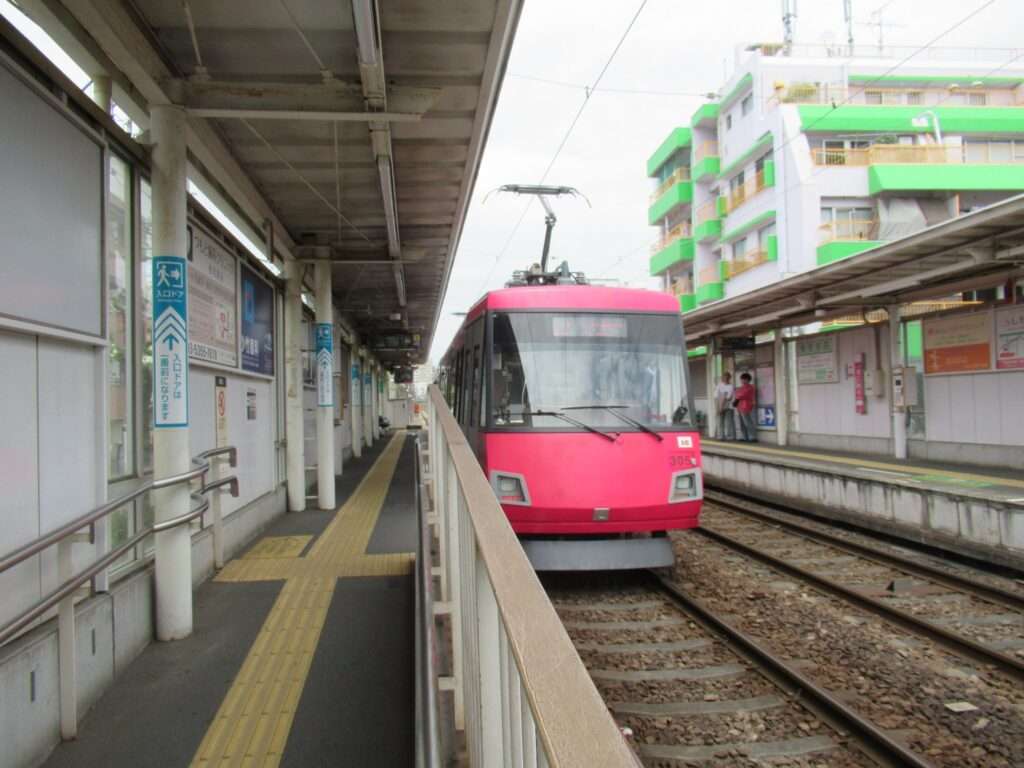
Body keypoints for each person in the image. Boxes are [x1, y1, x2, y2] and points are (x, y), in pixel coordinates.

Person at [733, 372, 757, 442]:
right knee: (741, 423)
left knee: (747, 422)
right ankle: (744, 437)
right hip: (740, 406)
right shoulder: (741, 387)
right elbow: (737, 393)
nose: (742, 381)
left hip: (746, 406)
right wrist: (737, 396)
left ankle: (752, 437)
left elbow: (742, 394)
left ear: (747, 380)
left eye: (743, 379)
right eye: (741, 379)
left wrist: (737, 396)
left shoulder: (750, 387)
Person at [714, 372, 735, 440]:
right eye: (724, 377)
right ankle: (721, 435)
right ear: (722, 378)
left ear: (729, 378)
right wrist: (718, 407)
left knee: (729, 422)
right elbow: (716, 396)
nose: (725, 378)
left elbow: (728, 397)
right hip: (719, 404)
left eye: (727, 377)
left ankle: (729, 436)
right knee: (720, 421)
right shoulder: (719, 385)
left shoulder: (731, 386)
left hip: (728, 406)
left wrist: (721, 406)